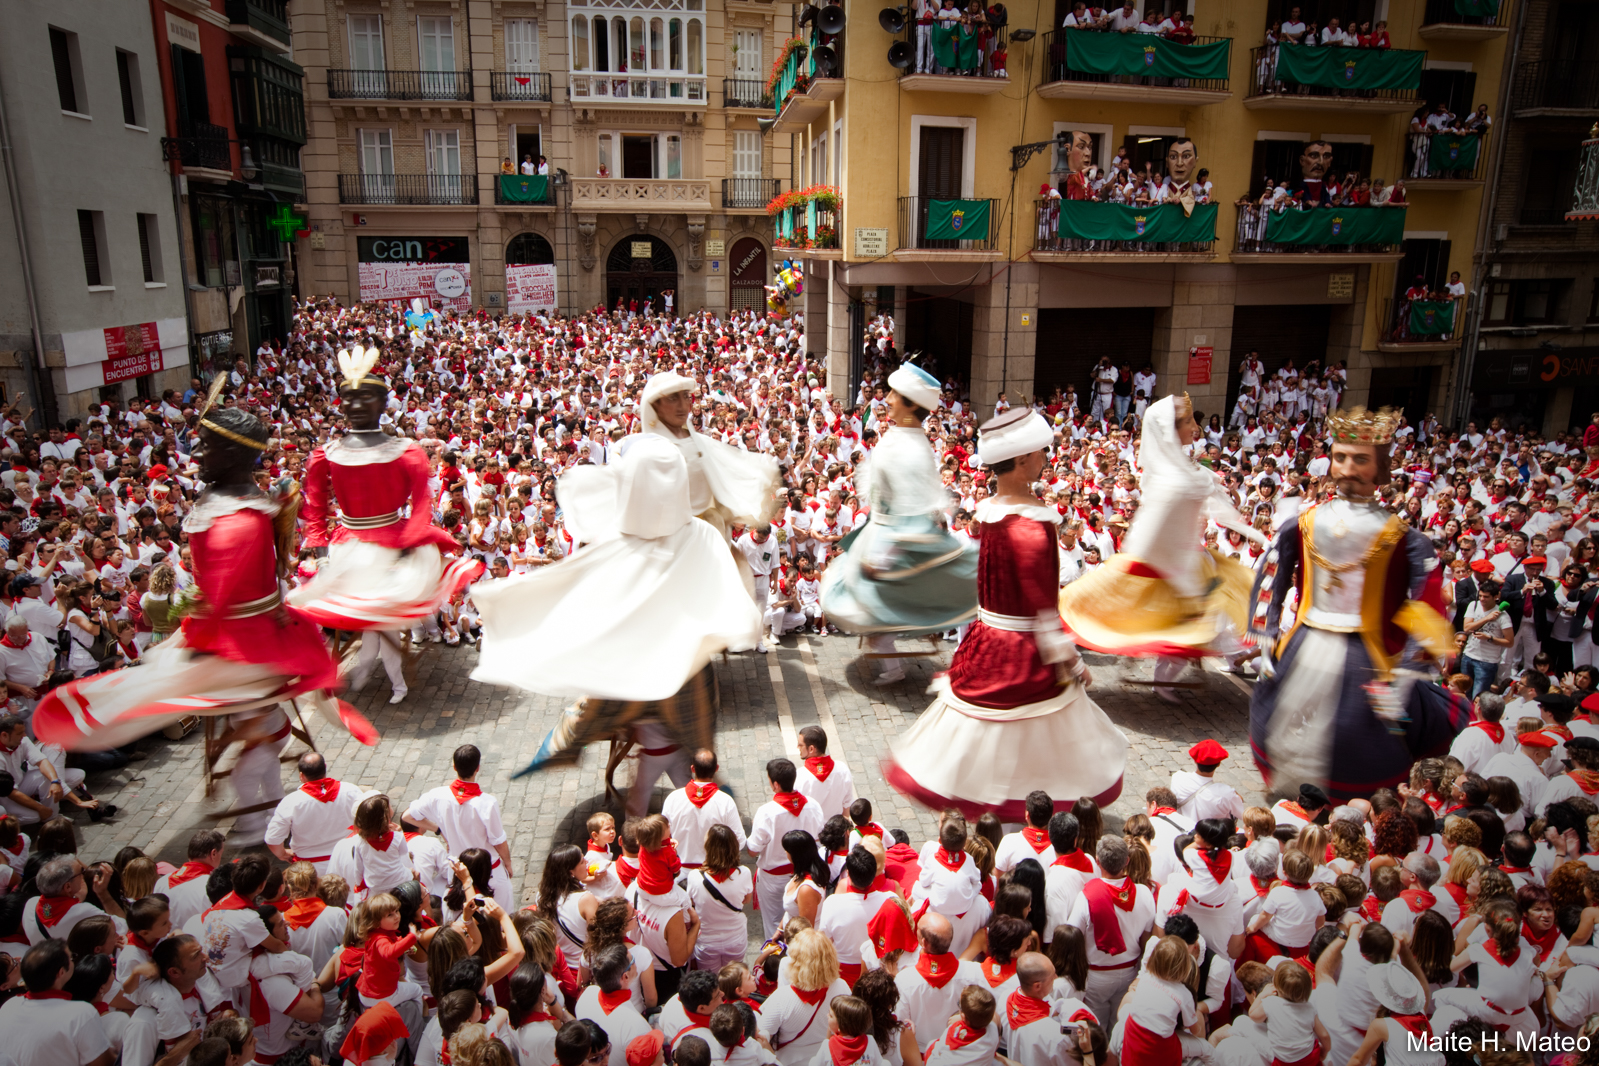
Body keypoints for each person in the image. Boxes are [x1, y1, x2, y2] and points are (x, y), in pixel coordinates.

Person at [886, 408, 1127, 818]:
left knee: (988, 735)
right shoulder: (1029, 527)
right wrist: (1072, 659)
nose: (1045, 460)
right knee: (1035, 735)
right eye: (1039, 453)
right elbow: (1041, 608)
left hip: (986, 639)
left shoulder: (989, 511)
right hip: (1024, 648)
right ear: (1018, 460)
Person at [471, 436, 760, 778]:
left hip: (655, 665)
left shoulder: (647, 536)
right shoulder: (689, 535)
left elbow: (570, 582)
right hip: (659, 664)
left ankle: (565, 748)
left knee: (599, 704)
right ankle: (703, 783)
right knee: (690, 712)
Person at [1250, 407, 1470, 800]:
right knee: (1279, 719)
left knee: (1356, 736)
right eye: (1340, 457)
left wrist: (1404, 676)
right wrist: (1265, 639)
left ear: (1380, 467)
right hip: (1306, 638)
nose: (1348, 468)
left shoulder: (1404, 538)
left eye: (1360, 459)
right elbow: (1272, 580)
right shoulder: (1301, 524)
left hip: (1365, 652)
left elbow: (1425, 609)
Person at [289, 346, 483, 705]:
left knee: (384, 619)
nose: (355, 405)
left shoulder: (405, 450)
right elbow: (315, 510)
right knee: (349, 614)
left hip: (396, 535)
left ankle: (394, 677)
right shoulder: (326, 454)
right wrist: (321, 553)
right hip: (347, 543)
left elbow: (421, 504)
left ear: (382, 403)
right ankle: (360, 668)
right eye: (349, 398)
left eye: (365, 397)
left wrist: (408, 543)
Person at [1060, 394, 1264, 702]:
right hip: (1170, 563)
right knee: (1186, 623)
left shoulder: (1182, 466)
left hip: (1193, 560)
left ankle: (1231, 657)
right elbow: (1148, 530)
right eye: (1185, 422)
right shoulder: (1173, 479)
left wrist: (1258, 535)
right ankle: (1166, 677)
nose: (1193, 426)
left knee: (1227, 605)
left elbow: (1218, 505)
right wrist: (1142, 567)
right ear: (1170, 429)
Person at [821, 362, 977, 684]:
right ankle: (892, 662)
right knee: (864, 604)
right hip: (880, 532)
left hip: (890, 540)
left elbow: (910, 515)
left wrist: (884, 558)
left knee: (868, 606)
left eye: (894, 394)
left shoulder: (910, 449)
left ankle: (894, 665)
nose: (887, 399)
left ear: (910, 406)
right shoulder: (903, 437)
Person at [264, 752, 370, 874]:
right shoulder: (351, 791)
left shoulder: (291, 802)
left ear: (301, 776)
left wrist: (282, 854)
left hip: (311, 870)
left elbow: (272, 839)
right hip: (350, 861)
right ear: (325, 767)